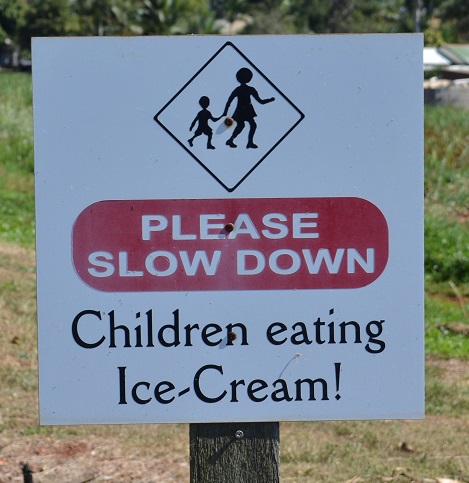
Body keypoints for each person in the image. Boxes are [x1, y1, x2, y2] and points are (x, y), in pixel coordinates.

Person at [222, 67, 275, 149]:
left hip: (247, 111)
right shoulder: (239, 89)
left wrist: (270, 100)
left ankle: (249, 142)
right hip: (240, 111)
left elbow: (260, 101)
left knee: (253, 125)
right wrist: (225, 112)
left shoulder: (250, 89)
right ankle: (231, 140)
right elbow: (229, 101)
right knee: (241, 125)